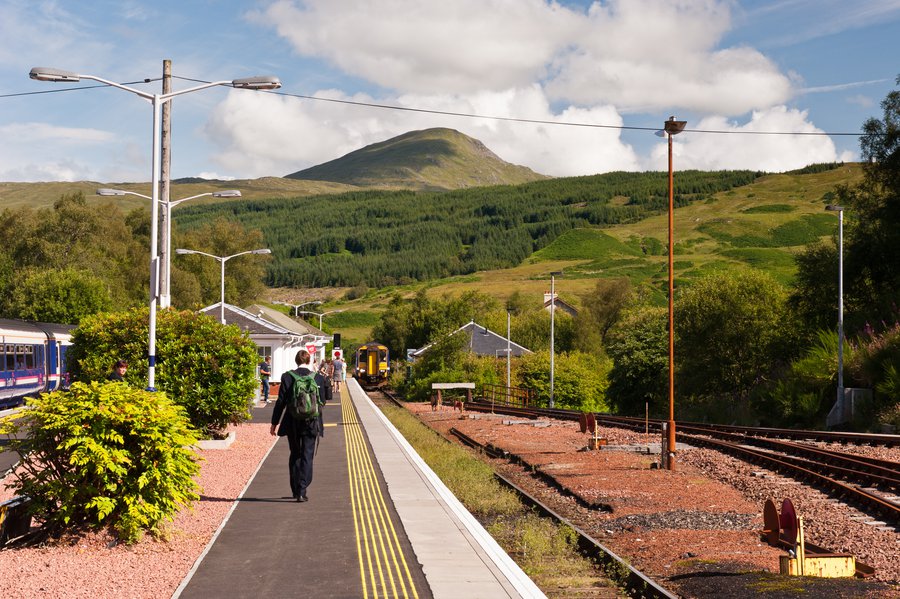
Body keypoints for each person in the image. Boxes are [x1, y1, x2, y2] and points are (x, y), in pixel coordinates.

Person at [270, 349, 329, 502]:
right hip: (312, 422)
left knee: (295, 453)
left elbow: (281, 402)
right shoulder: (318, 378)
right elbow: (322, 401)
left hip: (292, 422)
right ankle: (303, 489)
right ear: (309, 361)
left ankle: (296, 490)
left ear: (296, 361)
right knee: (307, 455)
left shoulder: (287, 377)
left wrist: (274, 423)